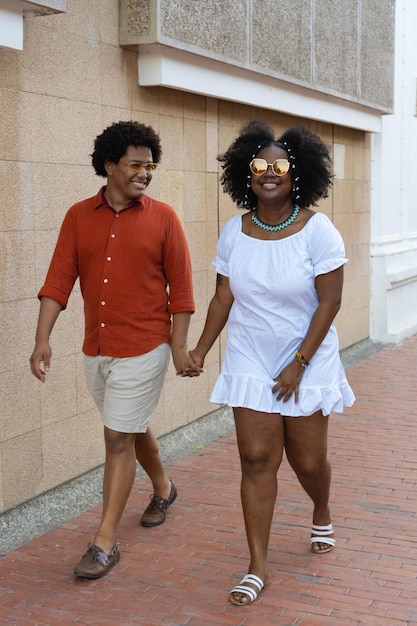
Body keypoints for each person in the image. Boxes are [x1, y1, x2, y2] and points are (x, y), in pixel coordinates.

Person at [188, 120, 355, 606]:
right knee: (257, 459)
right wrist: (200, 349)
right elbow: (223, 298)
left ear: (296, 172)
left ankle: (320, 508)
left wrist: (299, 363)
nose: (269, 171)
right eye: (260, 164)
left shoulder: (317, 230)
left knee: (307, 461)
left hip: (307, 355)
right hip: (250, 354)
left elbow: (330, 302)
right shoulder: (234, 231)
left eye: (279, 164)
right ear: (247, 170)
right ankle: (257, 565)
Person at [30, 120, 201, 579]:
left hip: (146, 346)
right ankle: (163, 486)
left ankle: (105, 540)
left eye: (151, 165)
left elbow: (182, 291)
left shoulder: (164, 217)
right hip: (97, 348)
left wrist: (179, 347)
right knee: (129, 425)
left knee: (116, 437)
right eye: (135, 164)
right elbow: (58, 281)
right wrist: (42, 338)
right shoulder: (77, 216)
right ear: (109, 165)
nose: (145, 172)